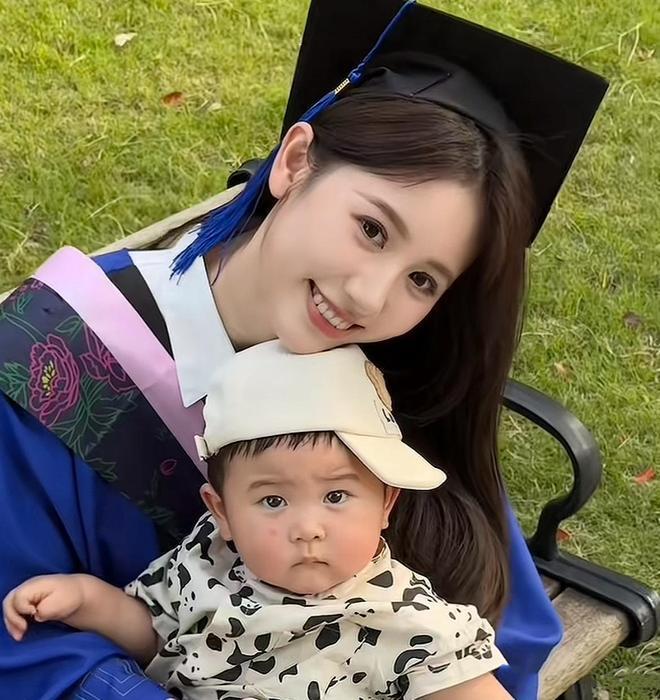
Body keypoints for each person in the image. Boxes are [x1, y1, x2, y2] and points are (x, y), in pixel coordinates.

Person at [0, 1, 608, 698]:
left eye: (423, 279)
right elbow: (24, 643)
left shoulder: (395, 375)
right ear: (295, 161)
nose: (369, 299)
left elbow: (508, 628)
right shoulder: (53, 358)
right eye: (372, 229)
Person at [4, 341, 514, 699]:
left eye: (336, 495)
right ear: (222, 512)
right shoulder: (207, 562)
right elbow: (157, 638)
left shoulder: (403, 621)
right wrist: (88, 601)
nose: (308, 528)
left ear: (386, 504)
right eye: (273, 501)